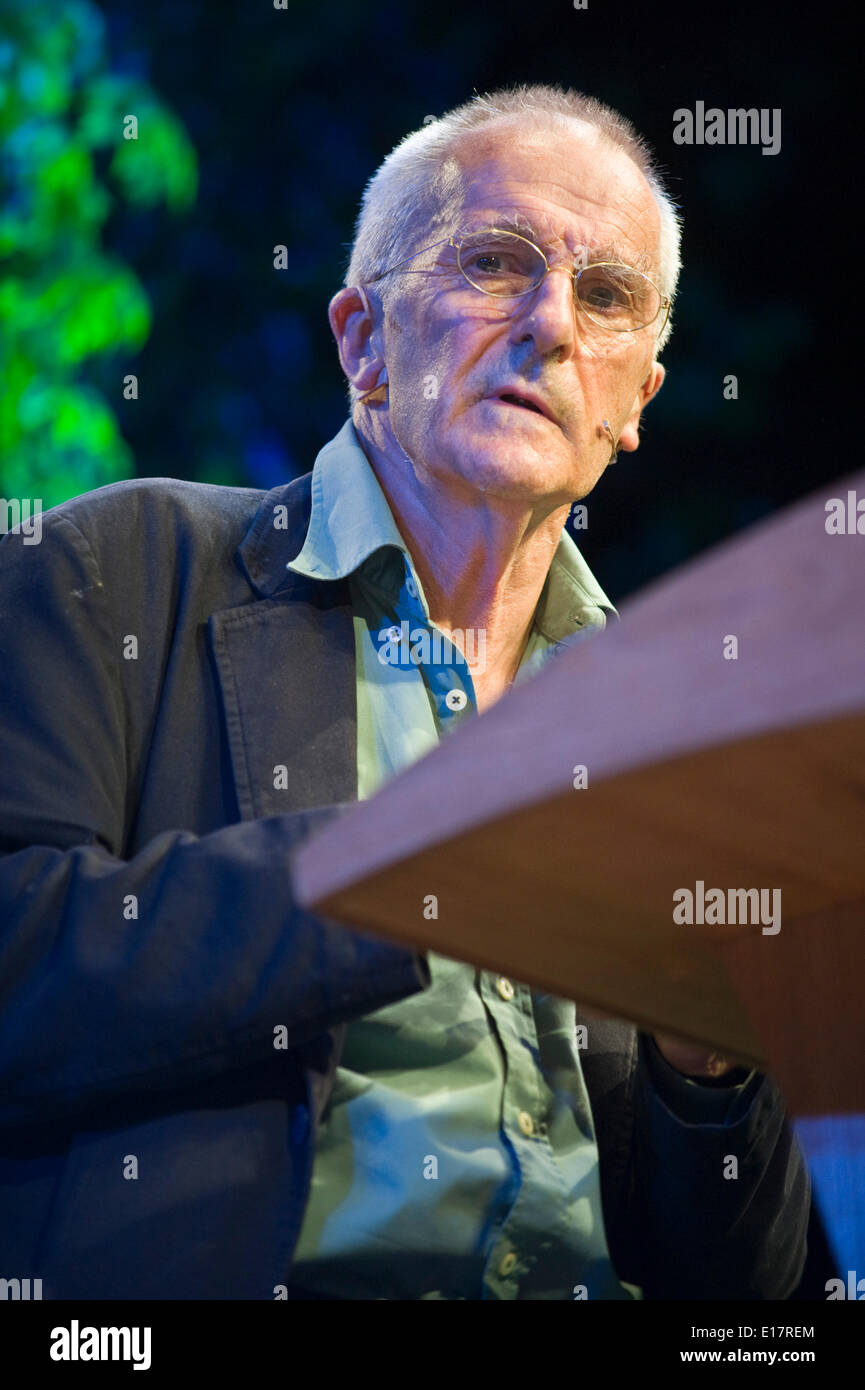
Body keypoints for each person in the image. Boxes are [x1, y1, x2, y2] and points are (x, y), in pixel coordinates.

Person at [0, 83, 808, 1300]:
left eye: (607, 298)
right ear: (363, 340)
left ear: (635, 398)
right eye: (497, 262)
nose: (551, 324)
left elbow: (748, 1288)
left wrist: (710, 1072)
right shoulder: (118, 569)